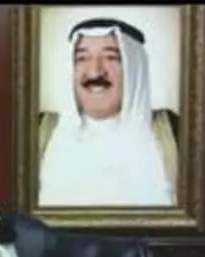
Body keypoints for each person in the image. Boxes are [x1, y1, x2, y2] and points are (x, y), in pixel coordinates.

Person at [38, 18, 179, 207]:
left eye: (111, 58)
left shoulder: (175, 133)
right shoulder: (37, 132)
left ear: (134, 68)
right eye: (82, 58)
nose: (95, 72)